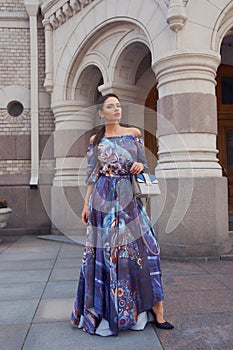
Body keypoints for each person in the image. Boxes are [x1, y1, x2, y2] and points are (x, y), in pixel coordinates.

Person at [70, 93, 174, 336]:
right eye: (110, 106)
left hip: (129, 196)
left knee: (147, 249)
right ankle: (109, 311)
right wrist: (86, 205)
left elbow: (143, 164)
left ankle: (157, 311)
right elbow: (92, 176)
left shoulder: (133, 133)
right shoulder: (96, 140)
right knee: (107, 254)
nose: (116, 109)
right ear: (101, 112)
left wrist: (139, 166)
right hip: (103, 198)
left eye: (118, 105)